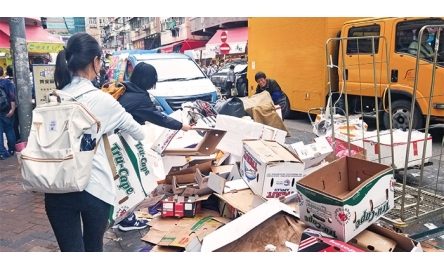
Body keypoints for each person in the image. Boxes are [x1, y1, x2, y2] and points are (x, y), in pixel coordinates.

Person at [46, 32, 145, 252]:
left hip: (54, 187)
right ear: (95, 61)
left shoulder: (53, 97)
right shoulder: (103, 100)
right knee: (93, 249)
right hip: (93, 188)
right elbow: (139, 133)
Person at [108, 62, 191, 231]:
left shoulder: (125, 89)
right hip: (119, 144)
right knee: (128, 179)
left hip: (109, 141)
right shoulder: (140, 98)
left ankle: (122, 216)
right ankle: (126, 219)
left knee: (119, 180)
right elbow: (158, 117)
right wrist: (182, 126)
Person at [0, 66, 16, 160]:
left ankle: (2, 152)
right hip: (6, 109)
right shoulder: (7, 82)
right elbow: (12, 96)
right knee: (9, 129)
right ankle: (11, 149)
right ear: (2, 72)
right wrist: (12, 109)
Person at [5, 65, 20, 143]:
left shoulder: (5, 81)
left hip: (9, 106)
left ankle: (14, 142)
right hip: (20, 106)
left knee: (13, 126)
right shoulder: (20, 81)